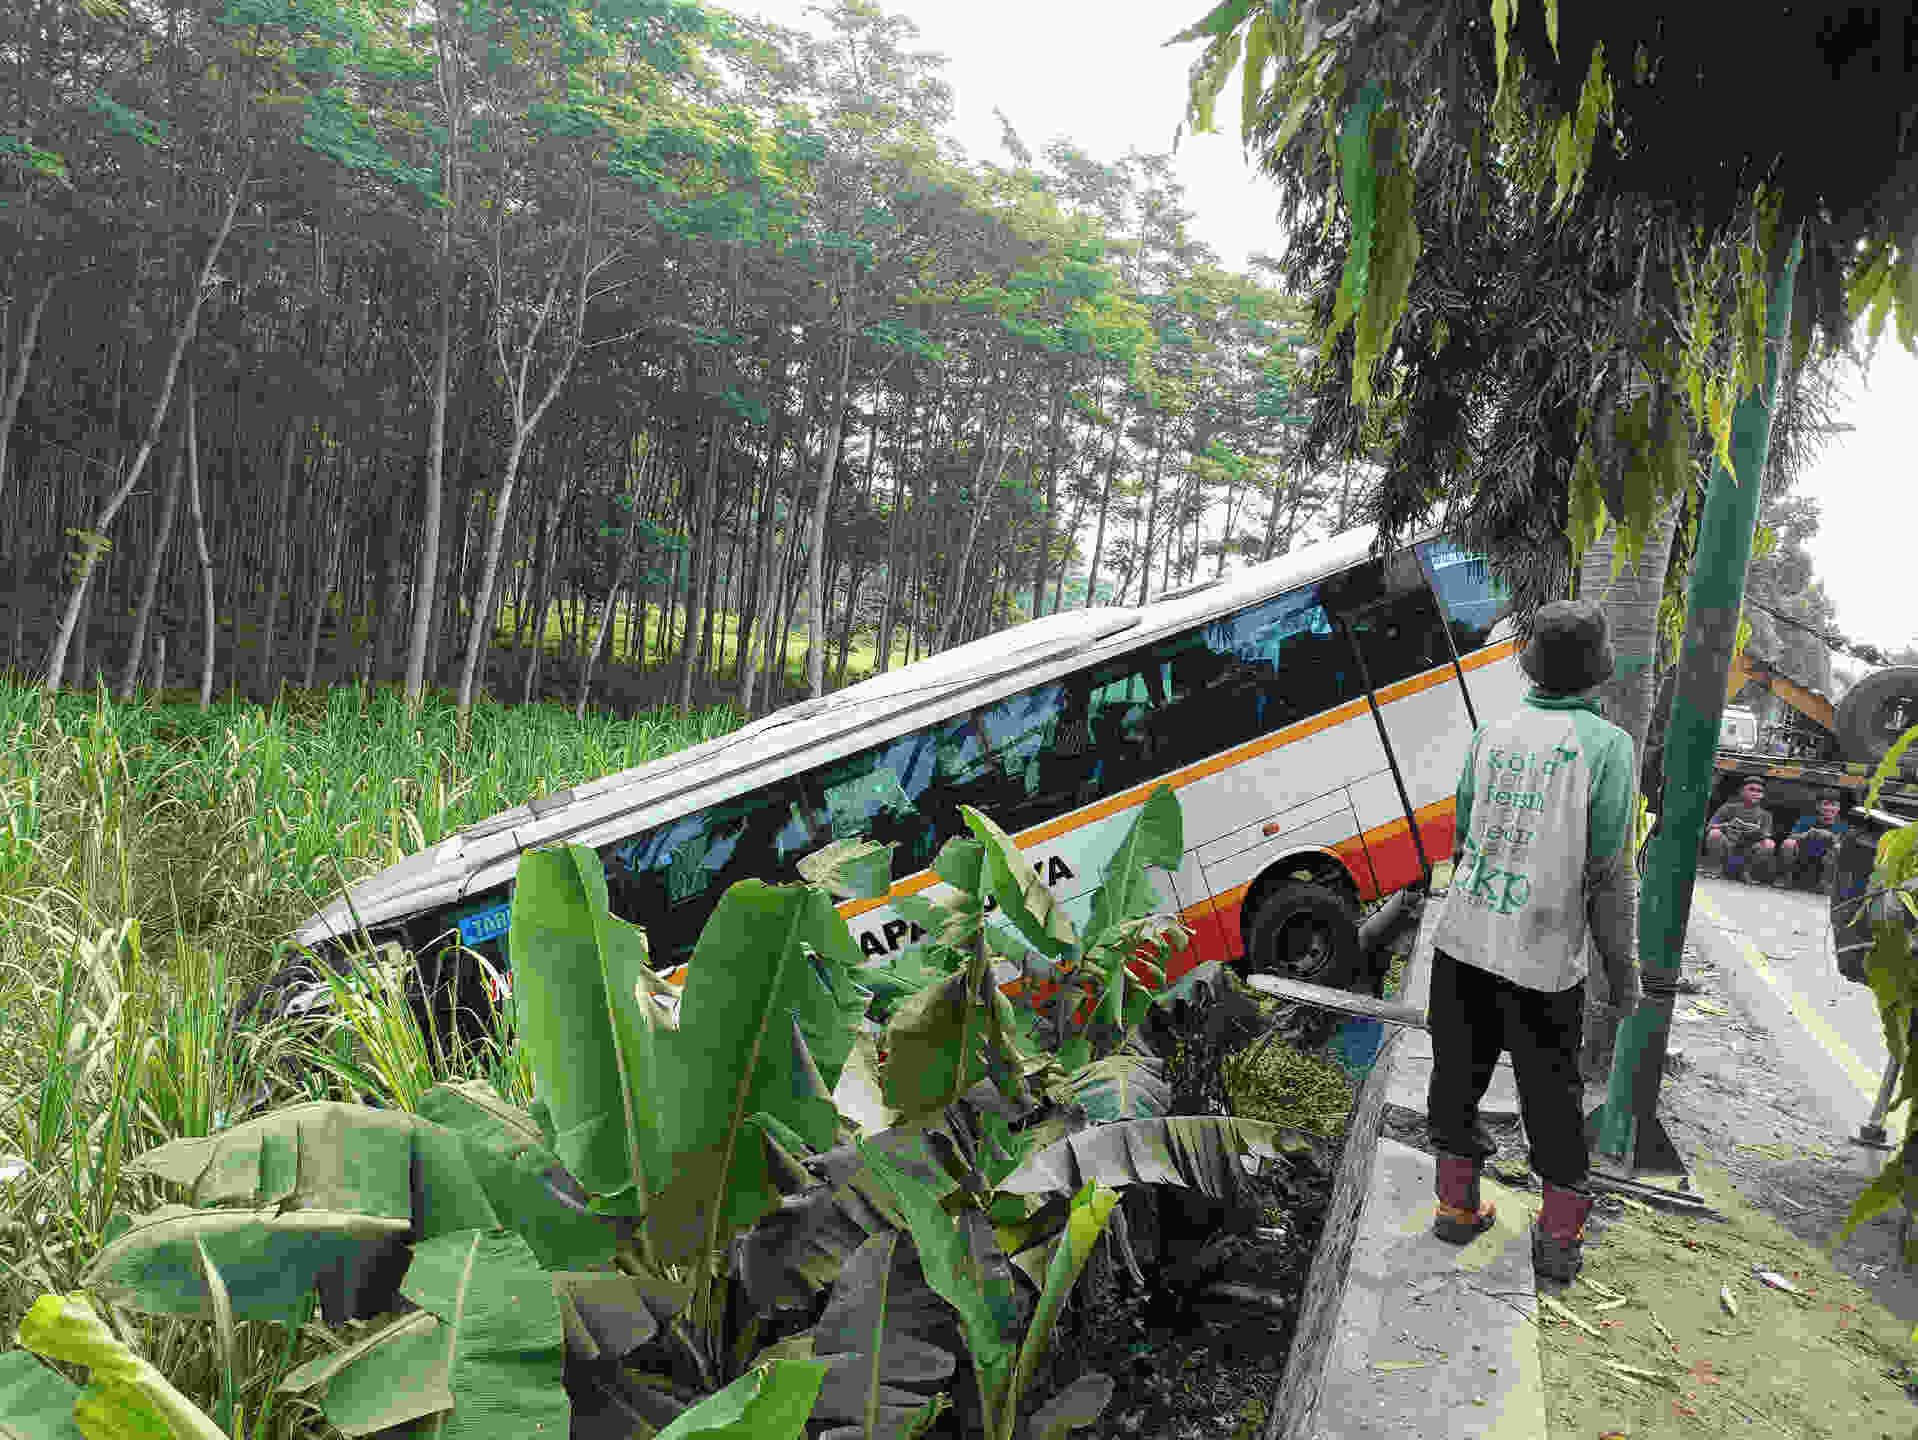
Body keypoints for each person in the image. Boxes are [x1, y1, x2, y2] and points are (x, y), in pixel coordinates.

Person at [1427, 598, 1639, 1283]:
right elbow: (1608, 876)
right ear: (1598, 673)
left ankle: (1456, 1212)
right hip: (1543, 963)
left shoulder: (1493, 734)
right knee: (1552, 1095)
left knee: (1455, 1079)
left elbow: (1463, 842)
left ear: (1531, 667)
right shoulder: (1606, 747)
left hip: (1462, 942)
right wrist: (1622, 970)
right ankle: (1556, 1243)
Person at [1705, 778, 1775, 883]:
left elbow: (1767, 835)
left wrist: (1757, 832)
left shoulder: (1765, 815)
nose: (1755, 793)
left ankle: (1747, 873)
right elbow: (1709, 827)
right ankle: (1715, 869)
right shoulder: (1728, 807)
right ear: (1742, 792)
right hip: (1728, 845)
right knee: (1714, 833)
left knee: (1769, 844)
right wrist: (1727, 825)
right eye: (1751, 789)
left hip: (1748, 850)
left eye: (1759, 791)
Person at [1780, 791, 1847, 893]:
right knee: (1788, 843)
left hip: (1827, 861)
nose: (1829, 808)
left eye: (1833, 805)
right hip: (1803, 857)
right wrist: (1807, 834)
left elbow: (1846, 847)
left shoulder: (1843, 825)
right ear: (1818, 806)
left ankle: (1826, 884)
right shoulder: (1806, 820)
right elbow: (1792, 837)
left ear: (1839, 808)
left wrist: (1831, 838)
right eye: (1826, 804)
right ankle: (1787, 879)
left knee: (1839, 849)